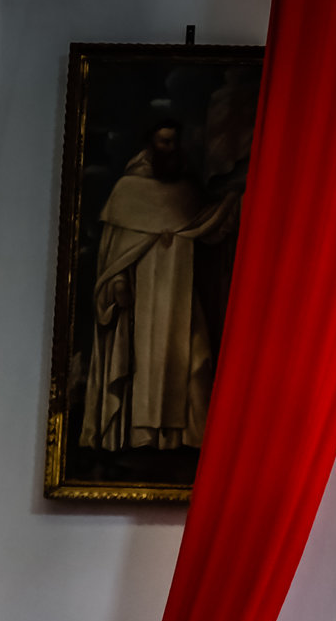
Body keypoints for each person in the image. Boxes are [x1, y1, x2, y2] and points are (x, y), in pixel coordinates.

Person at [80, 118, 243, 452]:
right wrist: (119, 284)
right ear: (149, 145)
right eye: (163, 142)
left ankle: (181, 439)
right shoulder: (129, 192)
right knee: (141, 364)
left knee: (196, 362)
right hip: (144, 299)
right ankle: (142, 439)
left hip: (180, 294)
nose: (169, 149)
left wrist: (232, 203)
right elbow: (116, 252)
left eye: (173, 142)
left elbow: (207, 228)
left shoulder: (186, 191)